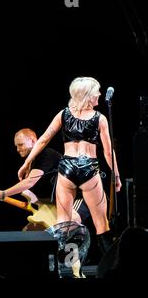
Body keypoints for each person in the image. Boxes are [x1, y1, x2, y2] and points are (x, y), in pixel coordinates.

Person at [18, 76, 121, 256]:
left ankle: (63, 270)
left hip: (66, 169)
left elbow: (43, 140)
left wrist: (26, 162)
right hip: (88, 168)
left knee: (63, 226)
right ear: (87, 95)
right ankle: (110, 268)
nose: (99, 94)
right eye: (96, 91)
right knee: (101, 225)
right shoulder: (100, 118)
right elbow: (107, 152)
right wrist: (117, 176)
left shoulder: (63, 114)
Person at [0, 128, 88, 229]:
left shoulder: (46, 154)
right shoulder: (32, 163)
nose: (18, 149)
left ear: (32, 140)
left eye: (21, 144)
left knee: (69, 222)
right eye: (16, 146)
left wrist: (4, 194)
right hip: (58, 202)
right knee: (31, 230)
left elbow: (30, 182)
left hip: (80, 196)